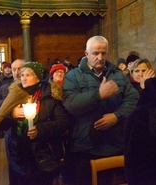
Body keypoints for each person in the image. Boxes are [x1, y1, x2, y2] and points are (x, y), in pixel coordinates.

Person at [62, 35, 139, 185]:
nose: (100, 57)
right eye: (95, 53)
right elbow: (72, 105)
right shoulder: (73, 76)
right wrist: (99, 95)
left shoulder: (118, 75)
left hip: (113, 144)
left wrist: (116, 116)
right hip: (84, 146)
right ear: (86, 54)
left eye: (103, 53)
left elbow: (133, 100)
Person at [0, 62, 69, 185]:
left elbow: (63, 122)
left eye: (28, 75)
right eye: (22, 75)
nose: (23, 78)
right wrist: (11, 114)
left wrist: (40, 129)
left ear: (38, 77)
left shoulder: (51, 94)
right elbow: (2, 122)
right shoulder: (15, 93)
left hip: (43, 153)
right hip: (18, 152)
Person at [124, 52, 156, 185]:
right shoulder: (141, 115)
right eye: (137, 70)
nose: (140, 74)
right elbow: (136, 166)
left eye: (144, 70)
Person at [0, 59, 25, 184]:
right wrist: (9, 103)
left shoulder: (33, 87)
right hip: (11, 133)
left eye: (20, 69)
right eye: (14, 69)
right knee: (14, 170)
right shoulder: (4, 89)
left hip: (30, 134)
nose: (17, 72)